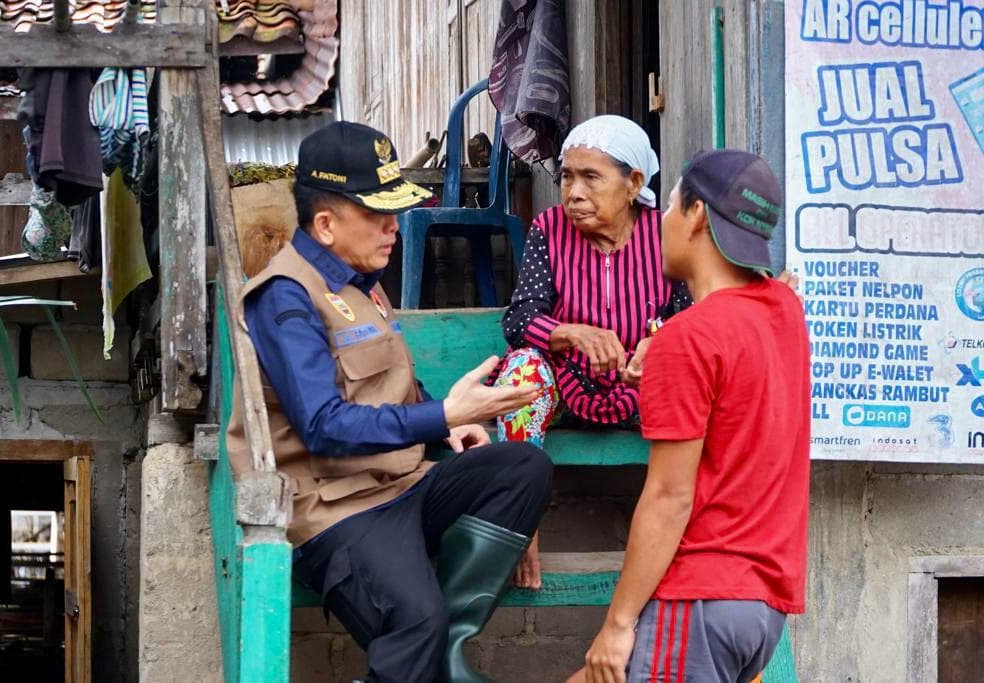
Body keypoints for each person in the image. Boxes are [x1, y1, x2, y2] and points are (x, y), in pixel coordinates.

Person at [225, 121, 554, 683]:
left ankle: (446, 650)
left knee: (523, 468)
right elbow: (323, 424)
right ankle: (429, 643)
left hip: (402, 484)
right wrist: (445, 414)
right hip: (334, 507)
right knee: (415, 621)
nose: (393, 227)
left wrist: (446, 425)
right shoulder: (285, 298)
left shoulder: (362, 280)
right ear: (326, 224)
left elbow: (387, 383)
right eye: (378, 214)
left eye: (394, 211)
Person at [571, 149, 810, 683]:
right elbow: (738, 392)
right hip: (761, 608)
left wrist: (618, 623)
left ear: (697, 215)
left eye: (671, 205)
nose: (661, 221)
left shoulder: (688, 338)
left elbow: (669, 498)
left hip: (699, 597)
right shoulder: (785, 312)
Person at [494, 115, 690, 589]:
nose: (574, 193)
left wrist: (660, 343)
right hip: (566, 383)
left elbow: (693, 318)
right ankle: (521, 525)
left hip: (640, 389)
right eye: (567, 177)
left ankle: (692, 541)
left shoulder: (666, 235)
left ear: (634, 183)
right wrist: (570, 334)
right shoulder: (548, 229)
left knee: (702, 385)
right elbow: (520, 319)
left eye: (590, 178)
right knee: (521, 373)